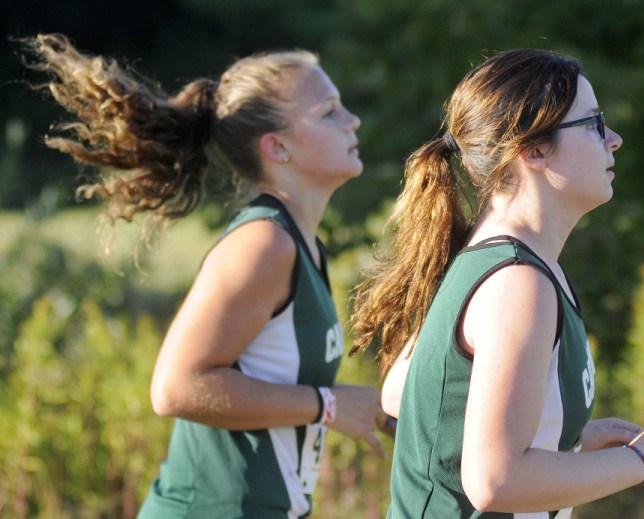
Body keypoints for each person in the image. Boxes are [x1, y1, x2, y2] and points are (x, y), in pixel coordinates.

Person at [22, 33, 389, 519]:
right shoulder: (263, 245)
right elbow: (175, 387)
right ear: (277, 147)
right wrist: (329, 406)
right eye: (329, 112)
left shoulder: (303, 246)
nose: (352, 120)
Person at [350, 49, 644, 518]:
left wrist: (556, 437)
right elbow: (496, 482)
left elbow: (402, 393)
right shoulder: (518, 282)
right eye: (594, 123)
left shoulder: (503, 255)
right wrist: (643, 459)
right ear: (533, 149)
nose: (614, 140)